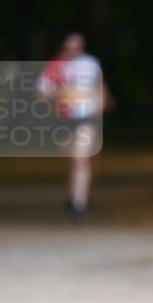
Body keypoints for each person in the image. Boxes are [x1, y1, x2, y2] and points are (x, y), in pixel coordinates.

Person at [38, 33, 109, 219]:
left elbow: (100, 88)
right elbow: (43, 94)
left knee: (81, 159)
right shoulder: (55, 66)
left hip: (87, 118)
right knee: (71, 161)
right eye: (70, 47)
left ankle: (79, 203)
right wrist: (60, 92)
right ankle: (74, 193)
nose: (74, 51)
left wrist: (99, 107)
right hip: (64, 119)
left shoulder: (91, 64)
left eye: (78, 47)